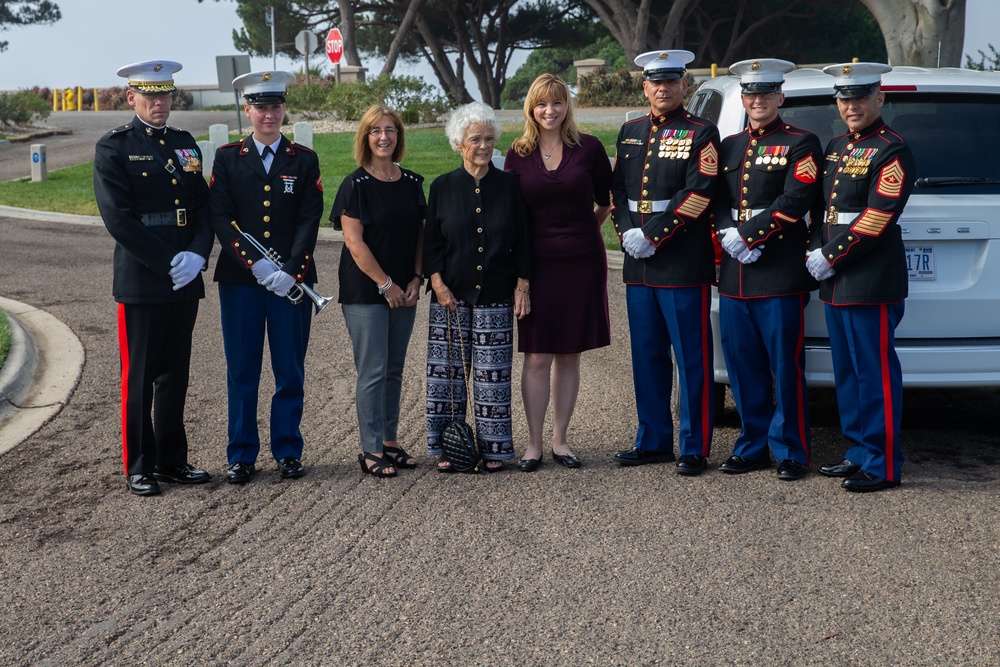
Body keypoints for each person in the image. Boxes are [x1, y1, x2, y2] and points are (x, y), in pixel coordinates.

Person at [93, 60, 214, 496]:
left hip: (186, 275)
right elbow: (119, 220)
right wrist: (168, 260)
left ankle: (171, 460)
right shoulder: (114, 147)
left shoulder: (185, 145)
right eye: (150, 95)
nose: (159, 103)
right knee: (139, 375)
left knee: (176, 374)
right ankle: (139, 464)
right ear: (131, 97)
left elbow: (203, 206)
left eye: (165, 95)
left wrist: (198, 255)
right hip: (143, 277)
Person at [209, 70, 324, 484]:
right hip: (242, 282)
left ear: (283, 110)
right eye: (261, 108)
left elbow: (311, 218)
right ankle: (241, 455)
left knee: (289, 370)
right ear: (248, 111)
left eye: (275, 107)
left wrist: (291, 270)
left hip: (291, 283)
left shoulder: (304, 159)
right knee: (242, 371)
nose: (268, 115)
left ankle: (288, 450)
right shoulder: (226, 158)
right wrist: (256, 265)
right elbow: (220, 216)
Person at [610, 50, 720, 475]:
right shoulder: (631, 131)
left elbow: (699, 193)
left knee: (690, 358)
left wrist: (653, 234)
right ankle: (652, 439)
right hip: (639, 265)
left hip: (680, 262)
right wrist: (627, 235)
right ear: (644, 86)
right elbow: (617, 190)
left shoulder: (701, 132)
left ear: (683, 85)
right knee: (647, 354)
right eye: (655, 82)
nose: (662, 88)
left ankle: (694, 446)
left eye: (671, 81)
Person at [712, 59, 822, 481]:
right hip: (736, 275)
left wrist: (751, 235)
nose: (757, 100)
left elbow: (796, 199)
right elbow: (718, 198)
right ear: (743, 99)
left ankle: (791, 450)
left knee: (785, 367)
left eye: (766, 93)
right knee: (743, 366)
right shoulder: (731, 145)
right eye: (751, 94)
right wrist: (727, 233)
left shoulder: (802, 142)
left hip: (778, 272)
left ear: (780, 97)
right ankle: (752, 445)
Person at [809, 63, 915, 492]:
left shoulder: (893, 150)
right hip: (836, 280)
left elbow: (878, 217)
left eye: (860, 97)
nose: (851, 106)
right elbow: (826, 210)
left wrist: (831, 255)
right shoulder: (836, 146)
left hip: (869, 278)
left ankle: (884, 463)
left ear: (879, 99)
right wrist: (815, 251)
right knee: (848, 371)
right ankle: (857, 452)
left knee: (875, 374)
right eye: (844, 98)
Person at [503, 74, 612, 472]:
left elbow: (605, 201)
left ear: (568, 106)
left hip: (583, 262)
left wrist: (585, 231)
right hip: (537, 265)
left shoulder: (590, 148)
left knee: (569, 353)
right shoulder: (518, 152)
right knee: (536, 355)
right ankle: (533, 444)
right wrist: (521, 277)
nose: (549, 111)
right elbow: (513, 216)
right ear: (531, 108)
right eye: (541, 104)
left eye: (557, 103)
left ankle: (561, 441)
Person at [424, 102, 532, 473]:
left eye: (488, 139)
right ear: (459, 143)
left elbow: (524, 240)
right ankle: (447, 448)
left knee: (492, 379)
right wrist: (436, 283)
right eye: (475, 139)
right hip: (449, 296)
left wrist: (522, 284)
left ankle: (495, 450)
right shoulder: (441, 187)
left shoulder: (509, 185)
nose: (483, 146)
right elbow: (432, 244)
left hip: (497, 294)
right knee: (447, 377)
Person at [330, 104, 425, 479]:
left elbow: (421, 234)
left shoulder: (414, 183)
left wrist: (417, 278)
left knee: (395, 370)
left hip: (406, 288)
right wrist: (385, 284)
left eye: (390, 130)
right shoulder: (356, 185)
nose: (384, 137)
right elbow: (355, 243)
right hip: (367, 290)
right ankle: (370, 449)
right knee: (373, 370)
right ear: (365, 138)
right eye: (375, 131)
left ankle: (389, 440)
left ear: (399, 136)